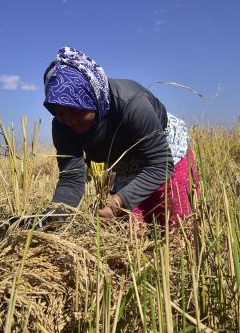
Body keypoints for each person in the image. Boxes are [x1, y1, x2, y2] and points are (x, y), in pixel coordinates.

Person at [43, 46, 198, 228]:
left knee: (175, 227)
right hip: (123, 165)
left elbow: (161, 164)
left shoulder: (132, 103)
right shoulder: (62, 125)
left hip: (164, 155)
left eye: (77, 111)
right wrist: (54, 219)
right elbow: (72, 178)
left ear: (92, 99)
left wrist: (118, 201)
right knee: (131, 233)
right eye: (60, 113)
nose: (69, 121)